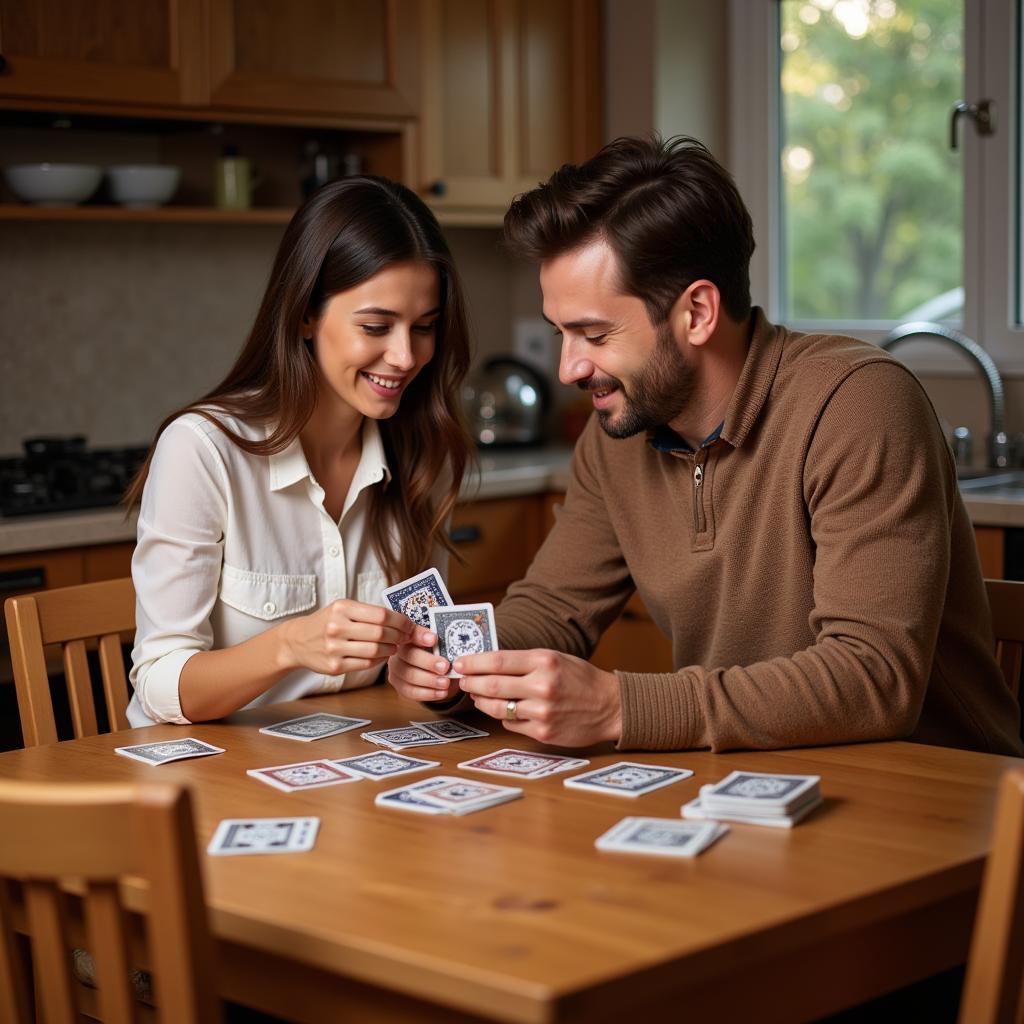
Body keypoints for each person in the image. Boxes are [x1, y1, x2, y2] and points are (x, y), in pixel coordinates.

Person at [387, 135, 1023, 757]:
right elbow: (555, 607)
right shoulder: (621, 431)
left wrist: (618, 707)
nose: (568, 369)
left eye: (594, 335)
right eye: (561, 332)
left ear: (696, 312)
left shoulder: (859, 405)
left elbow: (874, 679)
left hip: (936, 798)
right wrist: (456, 670)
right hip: (746, 783)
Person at [125, 176, 472, 726]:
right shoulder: (202, 450)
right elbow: (160, 687)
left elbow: (418, 663)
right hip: (206, 778)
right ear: (306, 314)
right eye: (376, 326)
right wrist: (287, 646)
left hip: (346, 771)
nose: (405, 356)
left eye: (424, 327)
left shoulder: (423, 451)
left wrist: (426, 675)